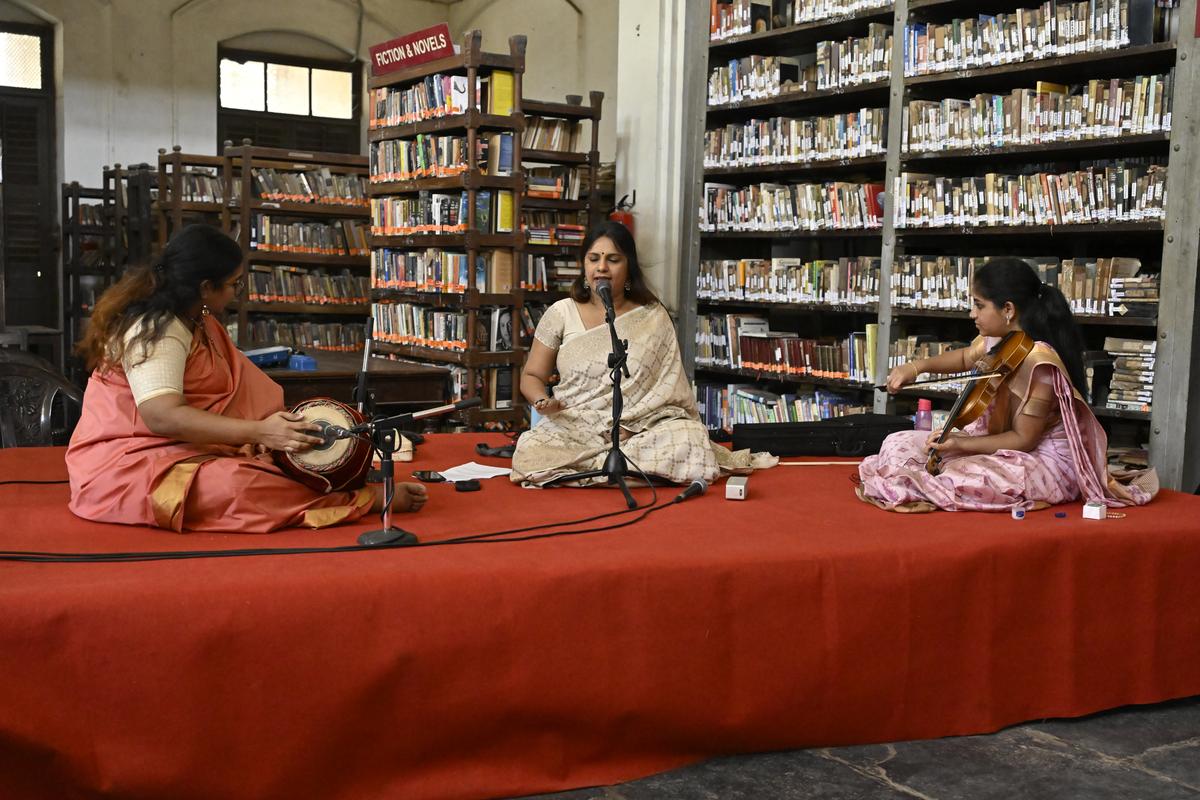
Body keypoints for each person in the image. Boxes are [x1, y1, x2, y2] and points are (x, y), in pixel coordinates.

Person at [67, 225, 426, 533]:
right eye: (233, 284)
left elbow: (238, 392)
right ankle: (361, 501)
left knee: (281, 462)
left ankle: (328, 486)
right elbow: (161, 416)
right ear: (206, 287)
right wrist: (259, 433)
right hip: (129, 464)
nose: (237, 292)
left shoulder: (198, 318)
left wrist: (274, 433)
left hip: (187, 448)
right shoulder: (156, 329)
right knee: (238, 484)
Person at [858, 257, 1156, 512]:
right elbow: (964, 358)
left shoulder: (1038, 363)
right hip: (998, 443)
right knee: (896, 443)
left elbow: (1023, 440)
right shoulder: (996, 340)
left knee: (961, 476)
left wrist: (964, 444)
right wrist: (916, 367)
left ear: (1008, 310)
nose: (972, 314)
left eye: (978, 305)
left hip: (1041, 459)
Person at [511, 221, 774, 486]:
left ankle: (589, 471)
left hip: (639, 433)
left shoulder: (652, 316)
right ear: (583, 266)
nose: (601, 267)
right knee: (530, 449)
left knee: (690, 437)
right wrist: (543, 401)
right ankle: (625, 471)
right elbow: (532, 375)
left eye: (613, 259)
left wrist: (634, 426)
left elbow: (669, 393)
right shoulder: (561, 312)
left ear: (628, 267)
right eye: (593, 259)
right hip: (575, 427)